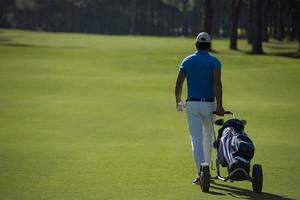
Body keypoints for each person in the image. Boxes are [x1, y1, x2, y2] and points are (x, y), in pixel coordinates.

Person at [174, 32, 225, 185]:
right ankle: (207, 170)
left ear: (196, 44)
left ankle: (201, 174)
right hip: (209, 104)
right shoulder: (215, 62)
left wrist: (178, 101)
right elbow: (217, 84)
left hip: (192, 104)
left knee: (196, 140)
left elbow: (178, 84)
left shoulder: (187, 61)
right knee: (208, 138)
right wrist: (220, 105)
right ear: (209, 45)